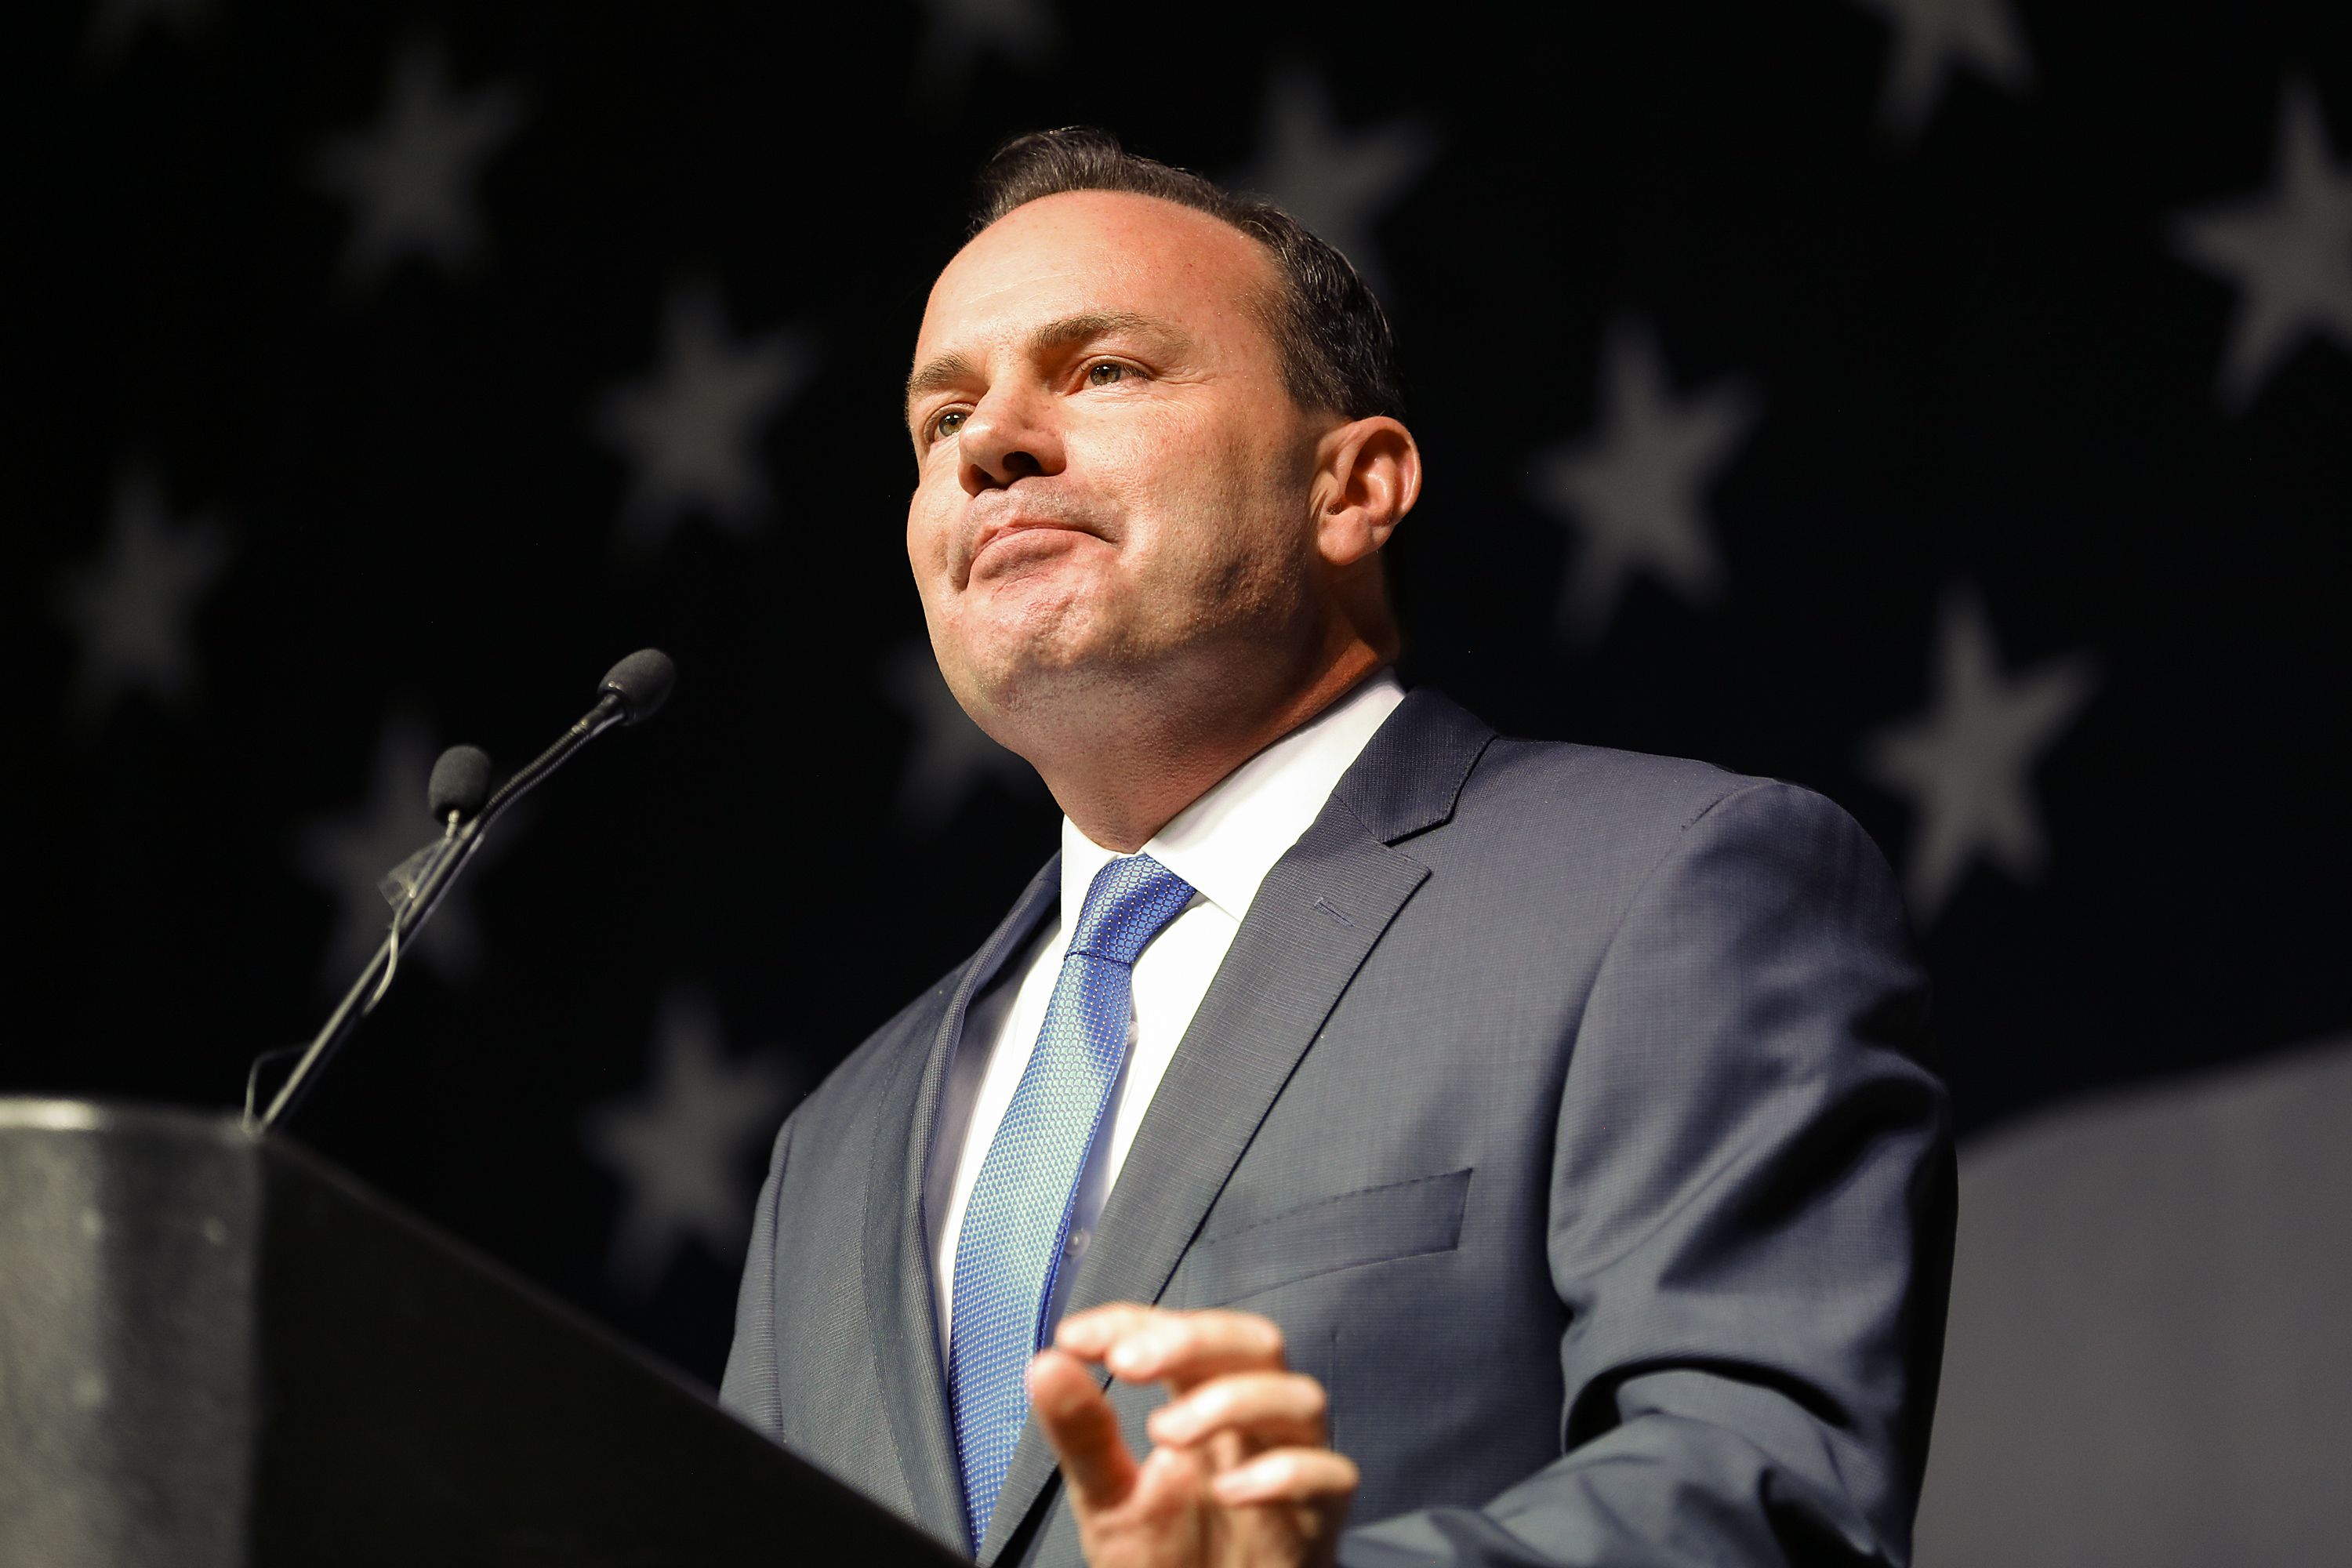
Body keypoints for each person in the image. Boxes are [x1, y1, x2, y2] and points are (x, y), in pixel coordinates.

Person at [720, 127, 1955, 1568]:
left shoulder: (1670, 892)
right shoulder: (835, 1142)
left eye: (1102, 371)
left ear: (1353, 487)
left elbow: (1764, 1495)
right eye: (941, 422)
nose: (991, 443)